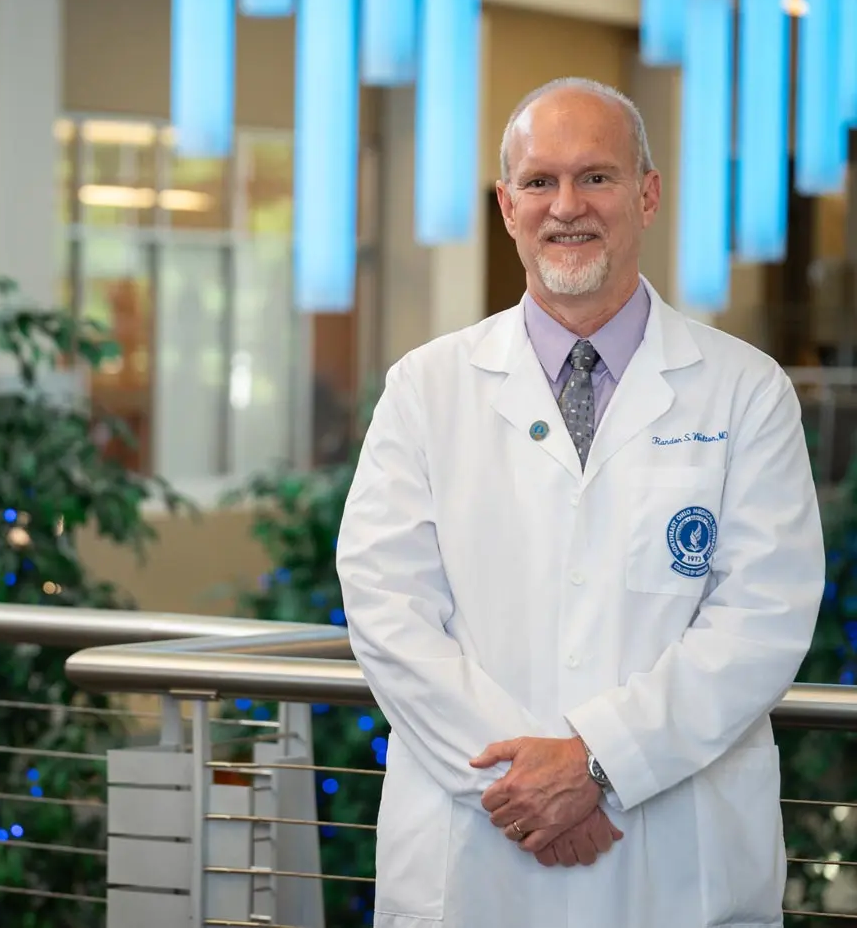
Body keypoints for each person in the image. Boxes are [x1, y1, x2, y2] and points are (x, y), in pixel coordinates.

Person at [336, 77, 824, 928]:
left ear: (648, 193)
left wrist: (600, 762)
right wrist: (524, 788)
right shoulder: (425, 387)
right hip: (477, 856)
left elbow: (763, 617)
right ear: (506, 205)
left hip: (676, 861)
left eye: (596, 177)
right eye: (539, 181)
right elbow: (387, 607)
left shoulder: (747, 391)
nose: (567, 205)